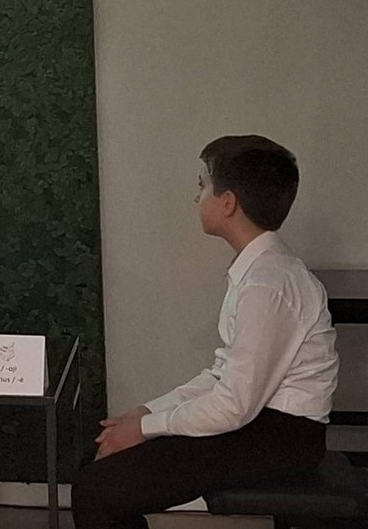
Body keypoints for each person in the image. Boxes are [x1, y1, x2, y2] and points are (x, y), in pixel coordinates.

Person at [71, 135, 339, 529]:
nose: (196, 198)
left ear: (228, 202)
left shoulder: (269, 284)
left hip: (280, 440)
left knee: (97, 489)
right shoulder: (260, 271)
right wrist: (146, 412)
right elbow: (221, 374)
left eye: (202, 186)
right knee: (96, 464)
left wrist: (143, 429)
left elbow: (233, 406)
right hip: (260, 425)